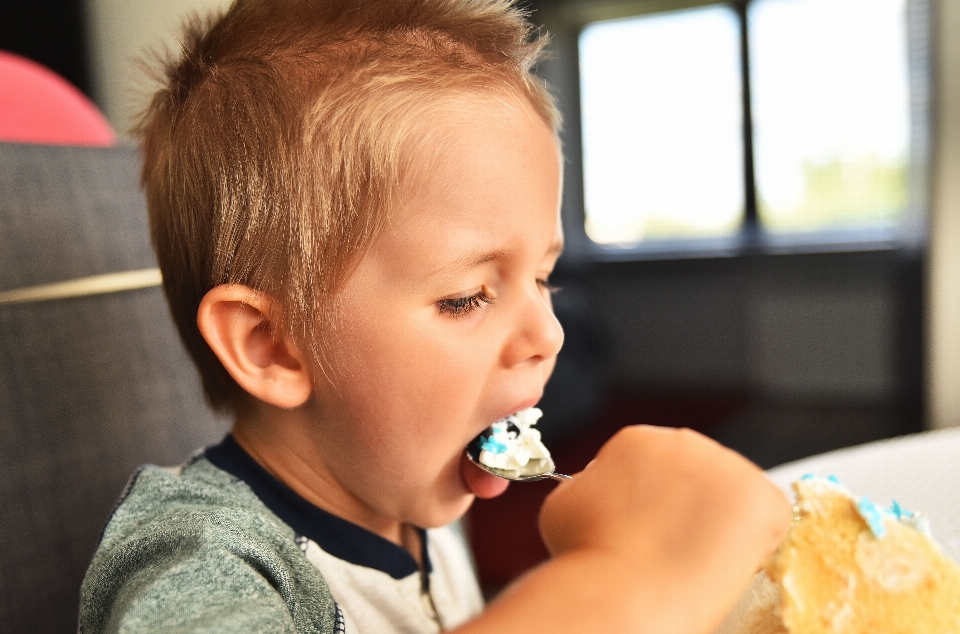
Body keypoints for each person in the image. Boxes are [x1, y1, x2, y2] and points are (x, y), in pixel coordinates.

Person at [79, 0, 791, 632]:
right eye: (467, 296)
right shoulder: (199, 554)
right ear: (273, 346)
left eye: (543, 279)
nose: (549, 334)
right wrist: (632, 579)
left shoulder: (414, 501)